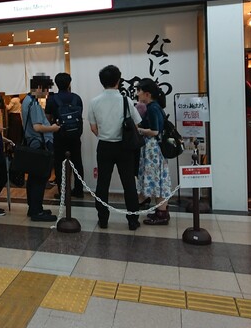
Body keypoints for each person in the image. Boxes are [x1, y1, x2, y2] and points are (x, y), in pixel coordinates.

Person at [88, 65, 141, 230]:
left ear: (102, 81)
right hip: (124, 146)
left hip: (104, 146)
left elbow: (93, 128)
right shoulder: (126, 100)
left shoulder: (94, 102)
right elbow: (136, 126)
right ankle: (132, 220)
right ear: (118, 80)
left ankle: (103, 219)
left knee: (102, 183)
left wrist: (105, 135)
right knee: (129, 183)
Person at [22, 75, 60, 222]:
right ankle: (37, 211)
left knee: (33, 179)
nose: (47, 93)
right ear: (38, 88)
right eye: (46, 90)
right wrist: (53, 128)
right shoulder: (33, 103)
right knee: (39, 179)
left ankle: (33, 208)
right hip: (40, 144)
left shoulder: (27, 100)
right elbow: (37, 127)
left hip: (33, 143)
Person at [136, 78, 172, 225]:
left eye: (139, 91)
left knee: (158, 181)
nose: (137, 93)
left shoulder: (152, 108)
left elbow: (155, 131)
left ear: (147, 94)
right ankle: (161, 211)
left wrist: (139, 130)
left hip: (153, 150)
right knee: (158, 180)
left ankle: (162, 214)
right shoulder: (155, 107)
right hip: (154, 150)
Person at [45, 72, 84, 199]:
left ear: (56, 84)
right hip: (75, 136)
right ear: (69, 83)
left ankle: (63, 191)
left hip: (59, 136)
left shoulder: (52, 99)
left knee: (59, 164)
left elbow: (48, 118)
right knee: (77, 163)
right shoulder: (77, 98)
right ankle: (78, 190)